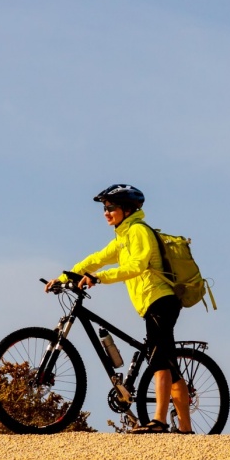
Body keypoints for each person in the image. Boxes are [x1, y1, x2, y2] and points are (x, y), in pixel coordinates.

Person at [44, 184, 193, 434]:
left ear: (127, 209)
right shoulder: (123, 237)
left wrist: (99, 278)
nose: (105, 212)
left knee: (159, 361)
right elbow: (95, 259)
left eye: (110, 207)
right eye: (104, 208)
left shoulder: (138, 232)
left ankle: (159, 421)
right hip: (150, 303)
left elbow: (136, 266)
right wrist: (62, 277)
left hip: (161, 300)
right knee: (166, 362)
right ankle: (186, 428)